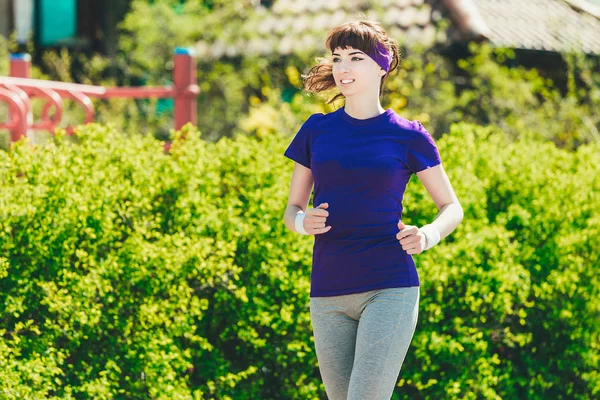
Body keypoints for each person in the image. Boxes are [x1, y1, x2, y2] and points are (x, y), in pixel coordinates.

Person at [282, 20, 464, 400]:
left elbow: (451, 207)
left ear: (381, 65)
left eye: (356, 58)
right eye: (337, 58)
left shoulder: (409, 135)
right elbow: (292, 209)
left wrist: (427, 234)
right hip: (327, 292)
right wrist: (302, 222)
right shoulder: (316, 131)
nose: (343, 68)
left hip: (389, 286)